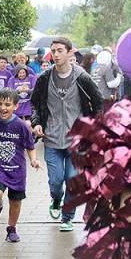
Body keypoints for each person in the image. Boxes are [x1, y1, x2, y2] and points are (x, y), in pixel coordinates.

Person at [31, 37, 102, 232]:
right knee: (55, 182)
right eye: (53, 51)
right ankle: (56, 199)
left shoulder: (82, 77)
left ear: (70, 52)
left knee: (72, 180)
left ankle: (67, 217)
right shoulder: (45, 78)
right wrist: (37, 123)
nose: (56, 54)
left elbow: (98, 103)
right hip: (52, 139)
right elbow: (34, 103)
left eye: (60, 50)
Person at [0, 89, 40, 243]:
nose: (3, 108)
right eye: (0, 104)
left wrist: (34, 160)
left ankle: (11, 229)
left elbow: (30, 146)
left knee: (15, 202)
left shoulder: (21, 125)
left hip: (17, 170)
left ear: (15, 106)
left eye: (8, 104)